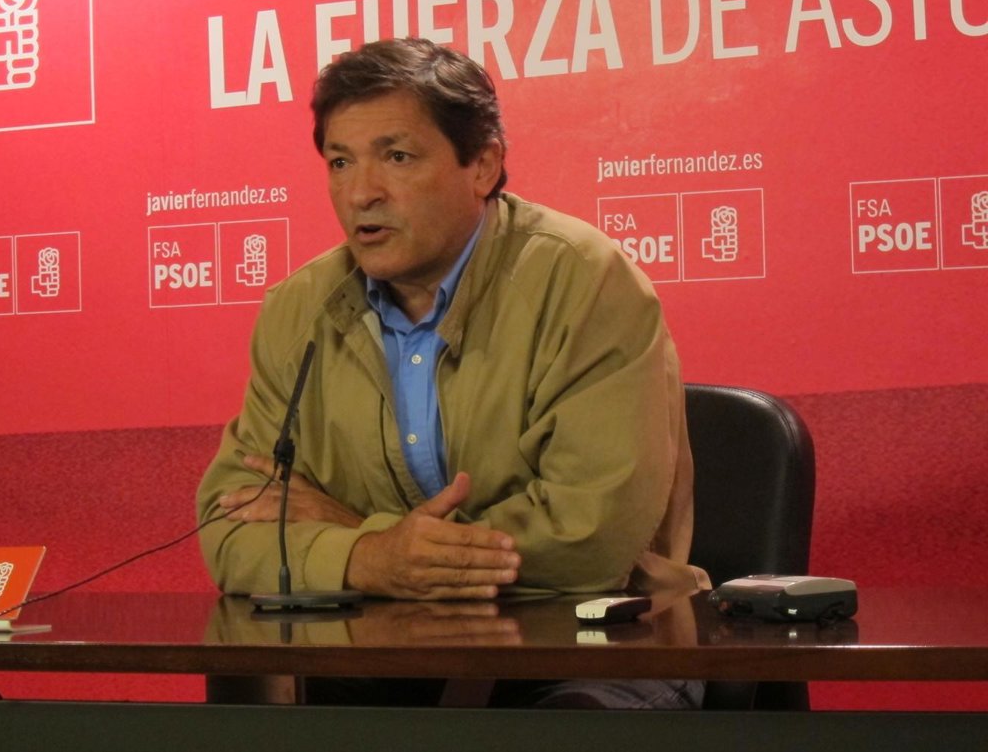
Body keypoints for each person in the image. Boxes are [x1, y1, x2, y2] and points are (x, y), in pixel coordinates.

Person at [195, 37, 708, 708]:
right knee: (257, 698)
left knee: (574, 725)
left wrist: (364, 537)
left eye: (397, 157)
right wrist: (375, 557)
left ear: (483, 165)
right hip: (391, 640)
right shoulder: (300, 309)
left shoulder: (586, 281)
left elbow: (590, 538)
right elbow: (231, 523)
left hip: (588, 634)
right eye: (340, 162)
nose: (361, 193)